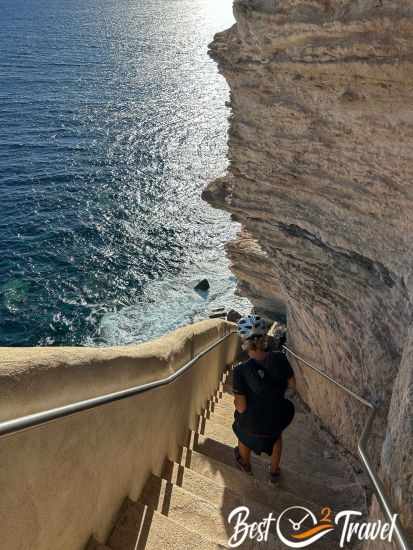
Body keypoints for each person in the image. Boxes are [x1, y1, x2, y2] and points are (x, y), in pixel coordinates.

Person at [232, 314, 296, 482]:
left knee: (242, 431)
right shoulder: (280, 358)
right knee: (277, 435)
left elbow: (241, 408)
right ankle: (274, 472)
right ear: (264, 337)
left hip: (252, 425)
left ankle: (245, 465)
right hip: (275, 419)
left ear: (244, 342)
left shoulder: (240, 371)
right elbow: (292, 385)